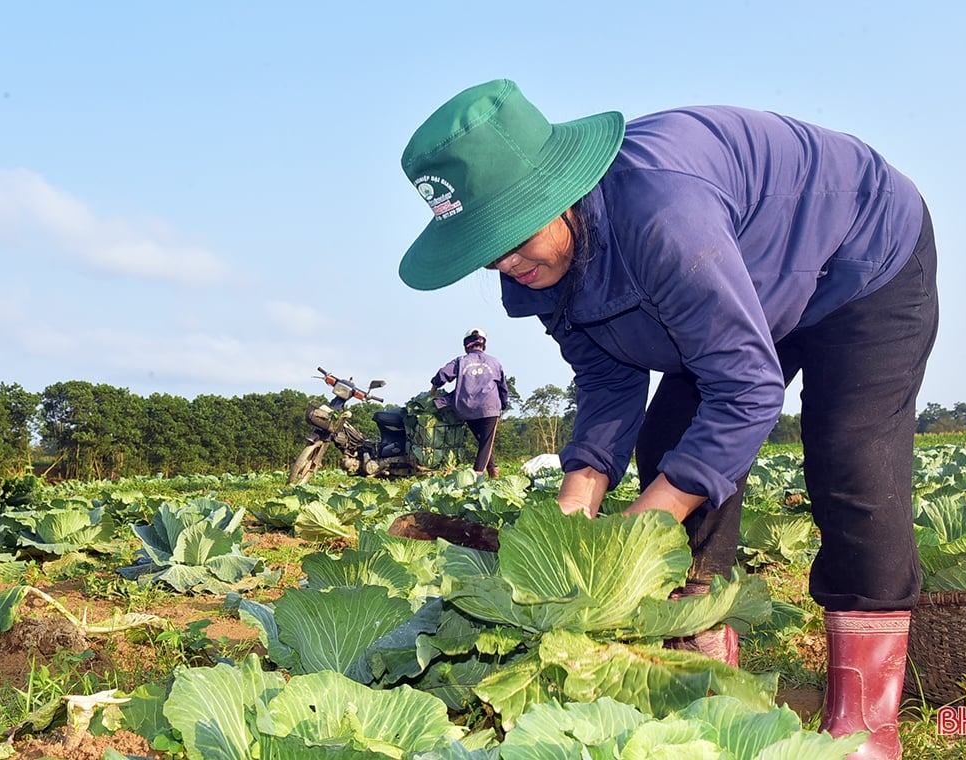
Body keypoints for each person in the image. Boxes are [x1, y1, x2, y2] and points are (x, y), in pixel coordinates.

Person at [398, 79, 938, 760]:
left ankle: (866, 721)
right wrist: (578, 499)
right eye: (487, 247)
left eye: (515, 235)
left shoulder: (661, 215)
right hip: (740, 287)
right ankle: (707, 664)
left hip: (860, 257)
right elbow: (605, 375)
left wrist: (640, 532)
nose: (507, 263)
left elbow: (744, 389)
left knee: (852, 465)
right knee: (670, 442)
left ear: (559, 194)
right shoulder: (540, 263)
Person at [430, 328, 509, 478]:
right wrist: (502, 405)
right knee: (486, 442)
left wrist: (432, 390)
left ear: (466, 344)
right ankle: (476, 475)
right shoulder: (494, 362)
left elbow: (443, 374)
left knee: (483, 440)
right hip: (489, 409)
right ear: (483, 344)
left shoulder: (461, 361)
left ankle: (494, 471)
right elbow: (503, 388)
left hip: (467, 408)